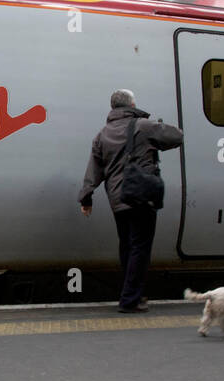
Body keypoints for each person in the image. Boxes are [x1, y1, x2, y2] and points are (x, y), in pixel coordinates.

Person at [78, 90, 183, 312]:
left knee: (127, 246)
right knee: (140, 247)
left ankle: (132, 294)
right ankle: (130, 299)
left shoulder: (102, 134)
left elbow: (93, 170)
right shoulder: (143, 126)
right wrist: (159, 126)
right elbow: (177, 136)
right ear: (132, 104)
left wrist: (86, 198)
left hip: (118, 198)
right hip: (141, 194)